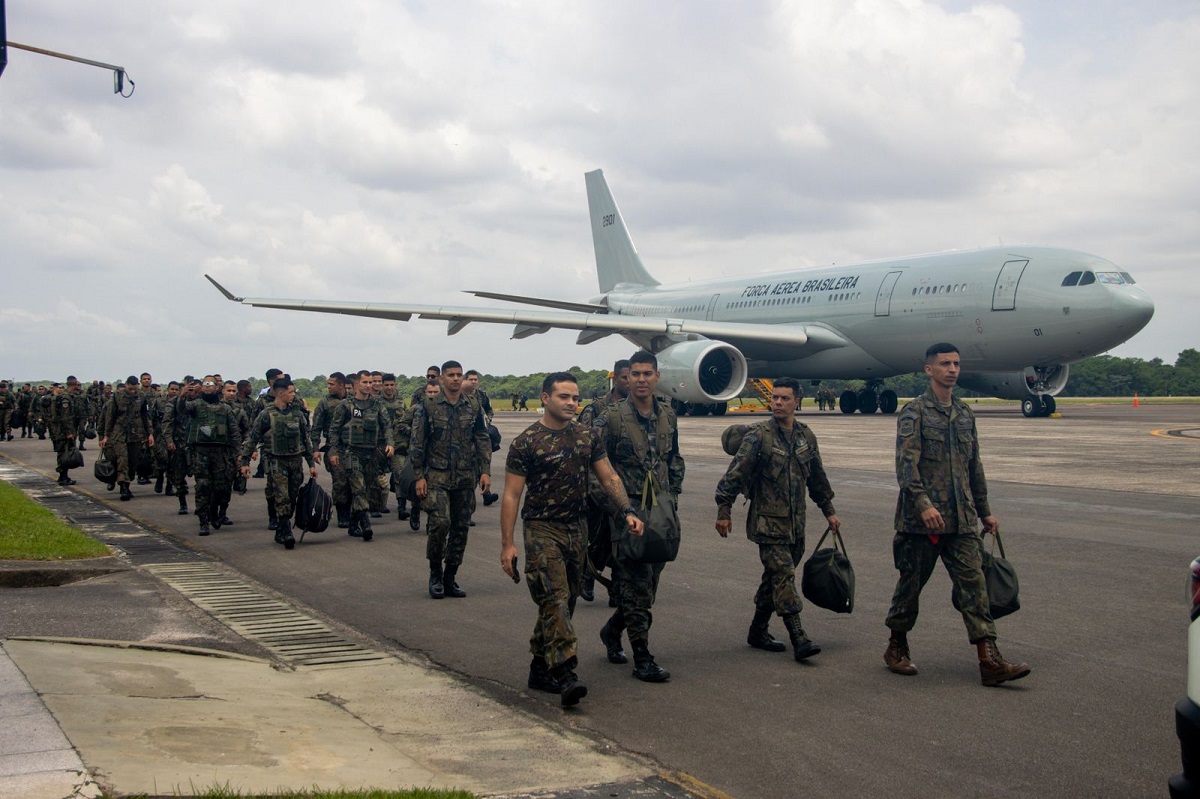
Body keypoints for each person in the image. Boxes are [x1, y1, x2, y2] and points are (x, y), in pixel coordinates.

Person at [884, 342, 1031, 687]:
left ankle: (989, 661)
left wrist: (985, 512)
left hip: (962, 520)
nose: (952, 369)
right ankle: (896, 646)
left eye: (956, 364)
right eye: (945, 363)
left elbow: (973, 467)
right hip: (922, 524)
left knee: (974, 587)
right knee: (910, 588)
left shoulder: (965, 413)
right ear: (929, 370)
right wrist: (924, 505)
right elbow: (906, 467)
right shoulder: (914, 413)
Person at [501, 372, 643, 707]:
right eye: (564, 397)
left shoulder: (586, 436)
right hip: (542, 529)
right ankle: (565, 673)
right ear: (545, 398)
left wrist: (626, 510)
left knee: (567, 602)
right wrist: (507, 545)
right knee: (554, 599)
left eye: (575, 398)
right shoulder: (526, 442)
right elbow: (511, 495)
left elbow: (608, 476)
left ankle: (540, 667)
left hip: (577, 529)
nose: (571, 404)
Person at [715, 377, 840, 661]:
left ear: (797, 401)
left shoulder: (805, 437)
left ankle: (757, 630)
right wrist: (724, 511)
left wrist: (829, 511)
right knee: (784, 576)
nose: (778, 403)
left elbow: (818, 479)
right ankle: (799, 637)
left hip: (796, 525)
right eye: (775, 398)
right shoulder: (759, 436)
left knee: (774, 578)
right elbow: (733, 476)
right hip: (767, 523)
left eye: (785, 398)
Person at [591, 350, 684, 682]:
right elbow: (595, 467)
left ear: (657, 377)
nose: (641, 380)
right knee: (636, 585)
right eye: (636, 374)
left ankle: (613, 629)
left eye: (648, 374)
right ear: (626, 378)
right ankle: (642, 658)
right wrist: (616, 508)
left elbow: (673, 458)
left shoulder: (668, 416)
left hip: (659, 511)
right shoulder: (611, 418)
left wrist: (673, 496)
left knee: (649, 586)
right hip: (625, 512)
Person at [410, 360, 492, 598]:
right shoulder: (428, 405)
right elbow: (418, 442)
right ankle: (435, 573)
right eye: (451, 375)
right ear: (442, 379)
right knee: (440, 523)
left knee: (460, 528)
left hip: (466, 477)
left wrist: (485, 470)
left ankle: (450, 577)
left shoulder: (473, 405)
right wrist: (418, 476)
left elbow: (482, 437)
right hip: (436, 475)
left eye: (459, 375)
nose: (455, 379)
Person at [577, 359, 632, 604]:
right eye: (624, 377)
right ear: (615, 379)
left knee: (624, 540)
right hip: (600, 487)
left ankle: (618, 587)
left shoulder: (640, 410)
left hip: (630, 487)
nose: (630, 382)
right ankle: (589, 576)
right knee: (600, 539)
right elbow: (584, 450)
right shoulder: (597, 410)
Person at [240, 378, 317, 550]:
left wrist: (311, 463)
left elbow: (305, 440)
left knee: (292, 496)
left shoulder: (298, 414)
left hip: (295, 461)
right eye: (291, 392)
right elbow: (253, 439)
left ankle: (281, 529)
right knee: (282, 496)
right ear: (280, 393)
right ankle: (286, 531)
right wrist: (245, 462)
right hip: (276, 461)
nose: (294, 395)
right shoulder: (266, 415)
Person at [329, 370, 395, 541]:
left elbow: (387, 425)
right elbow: (334, 430)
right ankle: (365, 525)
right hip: (352, 452)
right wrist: (334, 451)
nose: (368, 385)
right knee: (358, 488)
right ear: (357, 384)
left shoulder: (377, 405)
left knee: (370, 489)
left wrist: (390, 443)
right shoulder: (345, 405)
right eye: (364, 382)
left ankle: (353, 524)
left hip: (371, 453)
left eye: (370, 382)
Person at [185, 376, 243, 536]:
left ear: (217, 387)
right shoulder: (195, 405)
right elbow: (181, 409)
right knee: (203, 485)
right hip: (200, 452)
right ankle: (203, 521)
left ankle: (214, 511)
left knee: (221, 486)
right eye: (205, 384)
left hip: (220, 452)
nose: (208, 387)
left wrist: (239, 452)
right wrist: (183, 394)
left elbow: (234, 431)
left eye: (211, 384)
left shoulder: (224, 409)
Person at [99, 376, 155, 501]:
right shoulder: (117, 397)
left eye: (134, 389)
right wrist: (106, 435)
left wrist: (150, 433)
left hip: (136, 434)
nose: (132, 391)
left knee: (133, 462)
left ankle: (127, 483)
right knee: (122, 460)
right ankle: (123, 487)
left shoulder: (141, 397)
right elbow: (110, 417)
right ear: (126, 385)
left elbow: (145, 416)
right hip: (119, 434)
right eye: (130, 389)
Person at [310, 372, 352, 528]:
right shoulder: (324, 403)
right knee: (340, 480)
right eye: (328, 384)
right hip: (334, 446)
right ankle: (342, 514)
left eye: (331, 384)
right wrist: (315, 449)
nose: (328, 387)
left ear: (341, 384)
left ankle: (354, 512)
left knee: (354, 481)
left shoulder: (352, 401)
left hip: (353, 447)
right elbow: (316, 428)